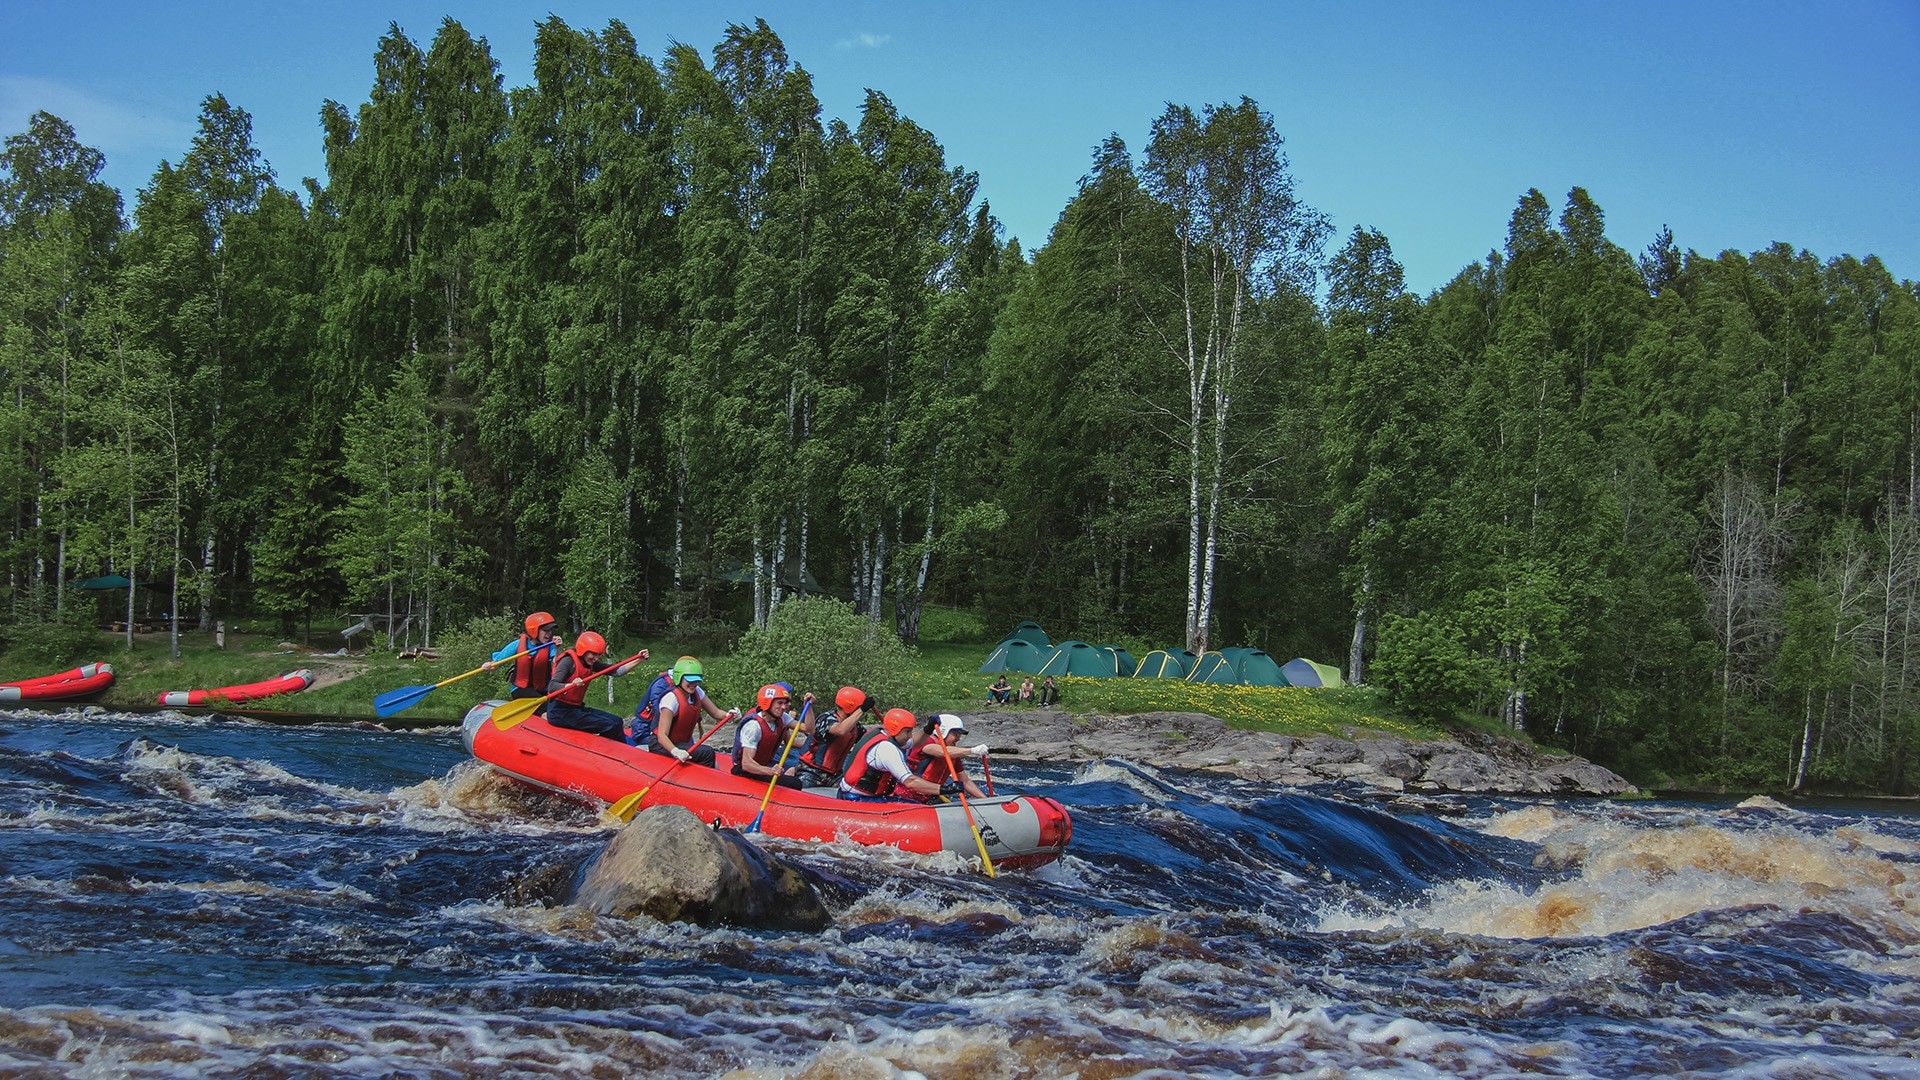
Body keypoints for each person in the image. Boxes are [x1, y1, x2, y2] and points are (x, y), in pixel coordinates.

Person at [544, 631, 645, 740]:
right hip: (559, 712)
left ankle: (616, 747)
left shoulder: (589, 662)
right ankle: (611, 751)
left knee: (617, 721)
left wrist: (639, 659)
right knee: (611, 725)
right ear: (583, 650)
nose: (596, 658)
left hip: (575, 709)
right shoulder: (568, 662)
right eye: (593, 654)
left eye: (598, 655)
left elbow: (617, 671)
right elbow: (552, 686)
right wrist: (570, 685)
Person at [645, 655, 737, 768]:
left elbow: (716, 713)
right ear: (679, 678)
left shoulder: (697, 691)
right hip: (661, 745)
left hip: (680, 743)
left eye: (696, 681)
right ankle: (702, 781)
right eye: (690, 681)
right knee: (707, 753)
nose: (693, 684)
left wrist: (729, 715)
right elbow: (662, 735)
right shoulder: (670, 699)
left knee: (704, 752)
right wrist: (676, 751)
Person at [839, 708, 944, 802]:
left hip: (848, 793)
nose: (910, 735)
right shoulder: (887, 749)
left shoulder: (879, 733)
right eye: (907, 731)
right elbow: (910, 782)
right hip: (858, 799)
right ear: (895, 729)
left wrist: (928, 729)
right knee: (915, 806)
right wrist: (944, 789)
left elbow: (915, 742)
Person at [733, 684, 811, 790]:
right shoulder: (753, 726)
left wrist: (808, 706)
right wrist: (770, 771)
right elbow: (746, 764)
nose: (784, 707)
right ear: (767, 703)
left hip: (763, 766)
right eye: (779, 703)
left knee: (794, 770)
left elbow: (808, 729)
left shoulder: (782, 717)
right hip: (744, 770)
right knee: (795, 783)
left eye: (785, 703)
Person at [795, 685, 874, 787]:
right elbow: (841, 730)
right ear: (850, 707)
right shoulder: (826, 718)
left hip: (835, 776)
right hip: (810, 772)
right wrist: (862, 710)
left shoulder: (855, 727)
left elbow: (869, 739)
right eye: (859, 709)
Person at [904, 713, 989, 800]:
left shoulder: (953, 754)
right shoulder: (926, 742)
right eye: (956, 734)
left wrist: (985, 799)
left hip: (930, 797)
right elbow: (943, 752)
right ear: (943, 731)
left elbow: (965, 781)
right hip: (909, 797)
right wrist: (972, 750)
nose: (958, 738)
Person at [482, 611, 563, 699]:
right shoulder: (518, 644)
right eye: (545, 630)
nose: (549, 633)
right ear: (534, 630)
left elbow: (557, 663)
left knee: (557, 704)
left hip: (542, 689)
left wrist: (558, 648)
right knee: (544, 706)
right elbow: (496, 663)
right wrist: (489, 665)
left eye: (550, 630)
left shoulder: (550, 646)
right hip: (520, 689)